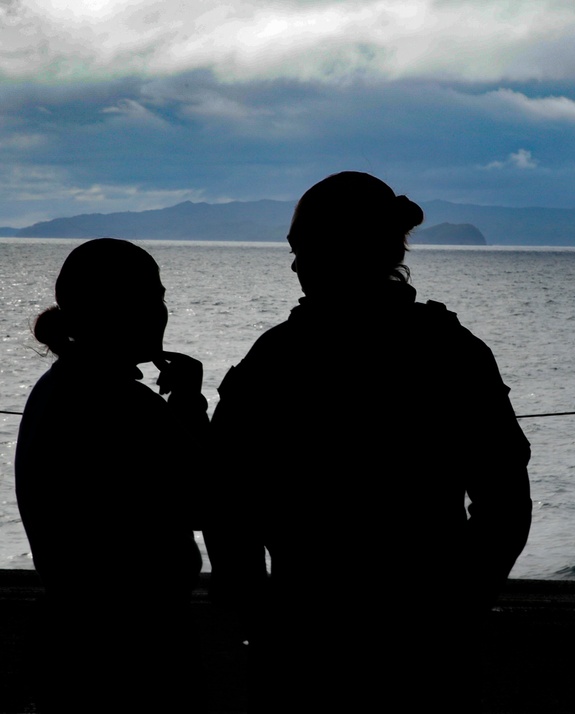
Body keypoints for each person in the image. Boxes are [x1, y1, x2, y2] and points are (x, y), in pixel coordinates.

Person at [207, 172, 532, 711]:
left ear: (337, 248)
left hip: (303, 642)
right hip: (427, 649)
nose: (295, 265)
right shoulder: (452, 352)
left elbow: (226, 503)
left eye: (303, 248)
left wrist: (260, 617)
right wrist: (455, 614)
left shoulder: (277, 358)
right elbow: (506, 507)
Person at [15, 238, 208, 712]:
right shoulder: (122, 403)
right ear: (119, 309)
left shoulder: (57, 386)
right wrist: (189, 403)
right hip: (132, 649)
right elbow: (206, 500)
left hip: (76, 638)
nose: (163, 312)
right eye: (153, 298)